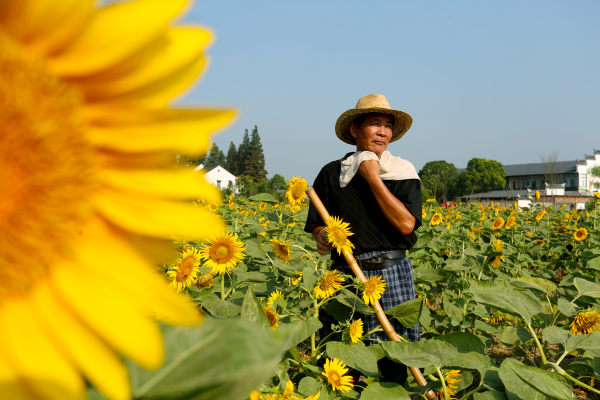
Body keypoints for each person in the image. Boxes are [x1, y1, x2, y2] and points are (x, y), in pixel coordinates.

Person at [304, 94, 422, 385]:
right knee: (347, 355)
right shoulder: (333, 174)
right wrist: (322, 237)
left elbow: (406, 224)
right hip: (346, 275)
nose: (382, 131)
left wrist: (372, 177)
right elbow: (317, 225)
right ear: (355, 130)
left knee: (394, 355)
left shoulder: (403, 172)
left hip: (391, 272)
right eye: (375, 124)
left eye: (387, 126)